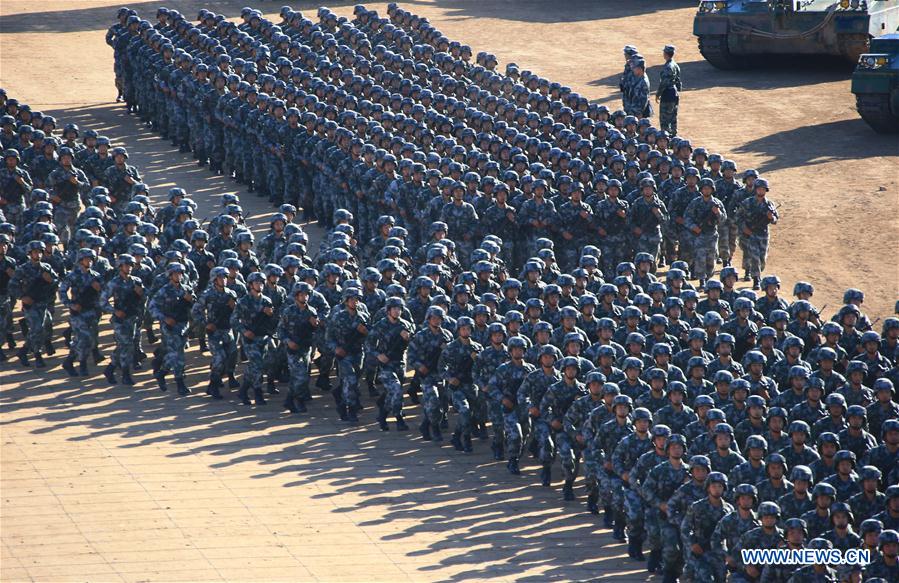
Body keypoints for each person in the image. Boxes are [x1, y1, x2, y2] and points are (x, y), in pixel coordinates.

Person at [656, 45, 682, 136]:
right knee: (673, 116)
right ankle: (674, 134)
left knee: (664, 119)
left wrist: (658, 94)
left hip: (667, 94)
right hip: (674, 93)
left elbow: (664, 83)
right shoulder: (675, 65)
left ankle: (666, 136)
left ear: (666, 54)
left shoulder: (667, 67)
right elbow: (678, 81)